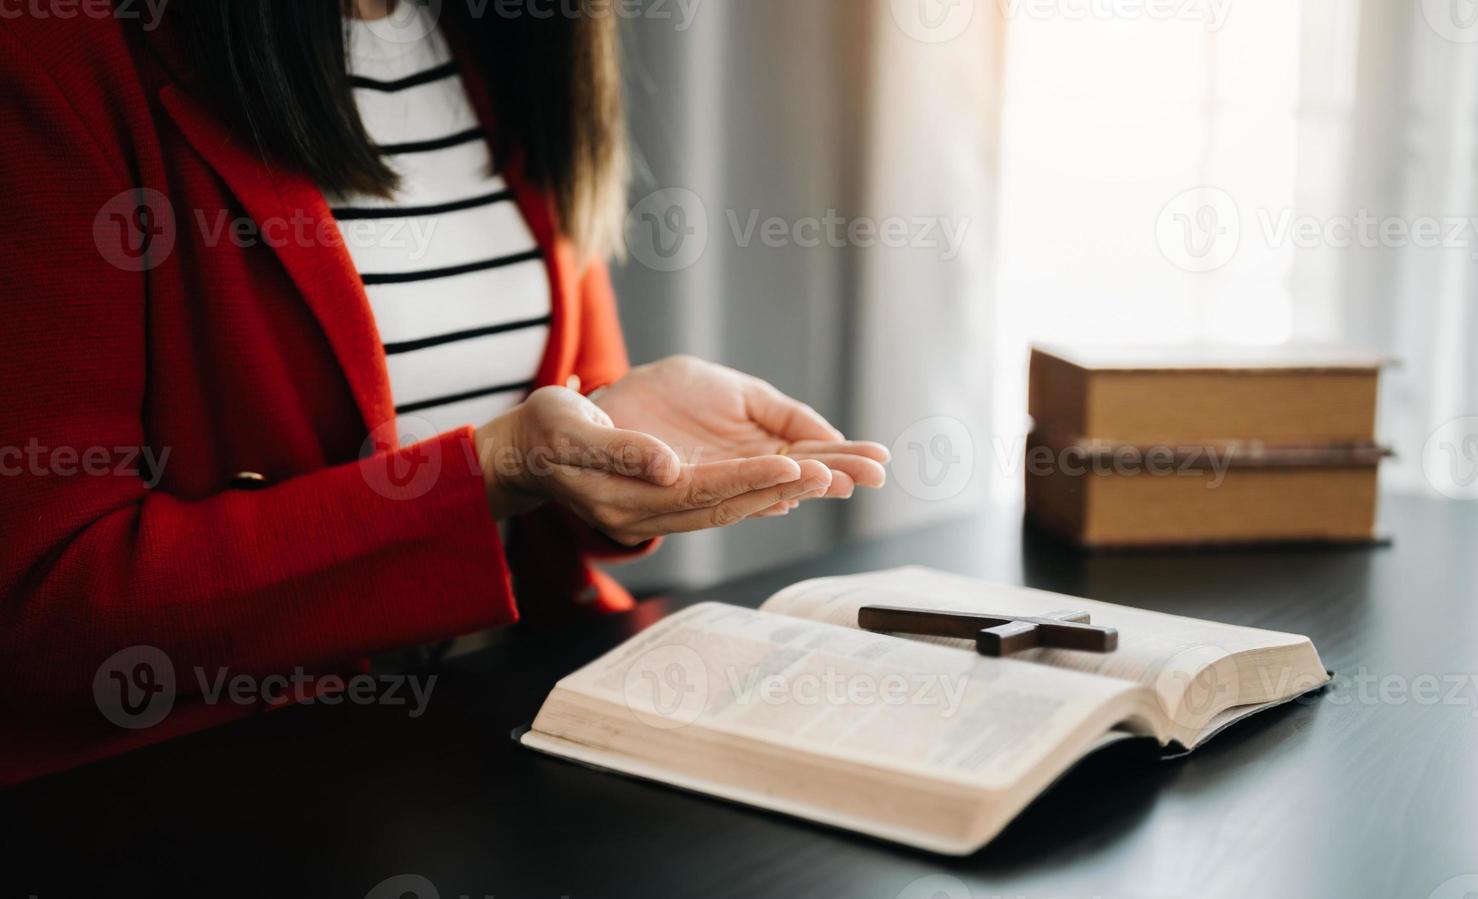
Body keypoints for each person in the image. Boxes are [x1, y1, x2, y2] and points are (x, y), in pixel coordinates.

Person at [0, 0, 888, 782]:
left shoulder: (512, 36)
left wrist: (613, 441)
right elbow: (49, 604)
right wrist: (492, 470)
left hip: (502, 727)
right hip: (211, 801)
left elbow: (543, 430)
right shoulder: (56, 49)